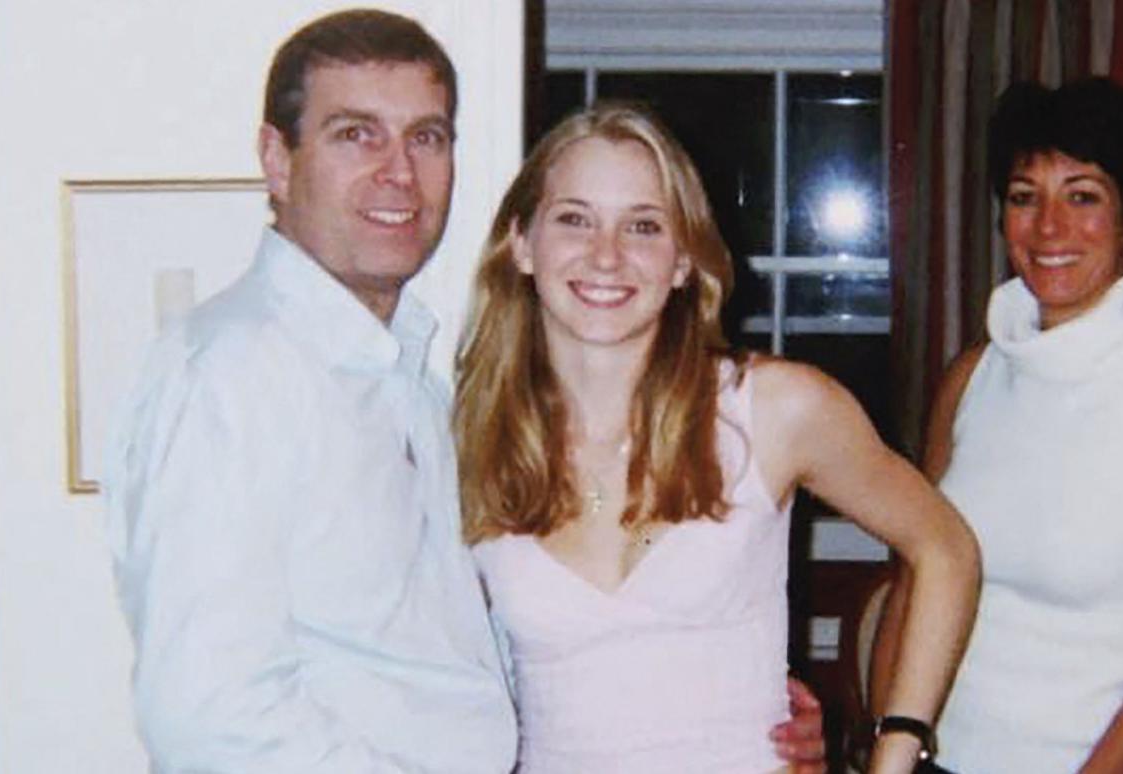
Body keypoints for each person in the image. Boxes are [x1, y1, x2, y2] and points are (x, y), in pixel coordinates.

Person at [104, 9, 828, 773]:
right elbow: (210, 719)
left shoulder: (415, 382)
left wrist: (699, 697)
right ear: (276, 160)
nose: (398, 172)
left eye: (426, 137)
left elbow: (454, 660)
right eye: (355, 134)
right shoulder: (230, 373)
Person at [453, 101, 980, 773]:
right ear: (522, 244)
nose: (605, 255)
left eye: (643, 226)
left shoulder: (772, 409)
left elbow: (945, 548)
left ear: (681, 260)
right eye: (573, 219)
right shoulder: (468, 436)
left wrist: (896, 747)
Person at [870, 78, 1123, 773]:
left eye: (1082, 196)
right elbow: (913, 585)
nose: (1047, 227)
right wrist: (886, 749)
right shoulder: (970, 376)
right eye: (1024, 197)